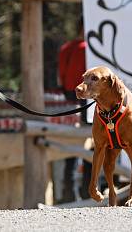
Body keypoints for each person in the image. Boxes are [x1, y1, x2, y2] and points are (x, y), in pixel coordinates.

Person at [56, 27, 87, 202]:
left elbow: (61, 76)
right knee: (91, 145)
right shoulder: (85, 48)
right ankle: (87, 190)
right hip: (84, 101)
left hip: (67, 101)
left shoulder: (66, 48)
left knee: (71, 149)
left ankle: (67, 192)